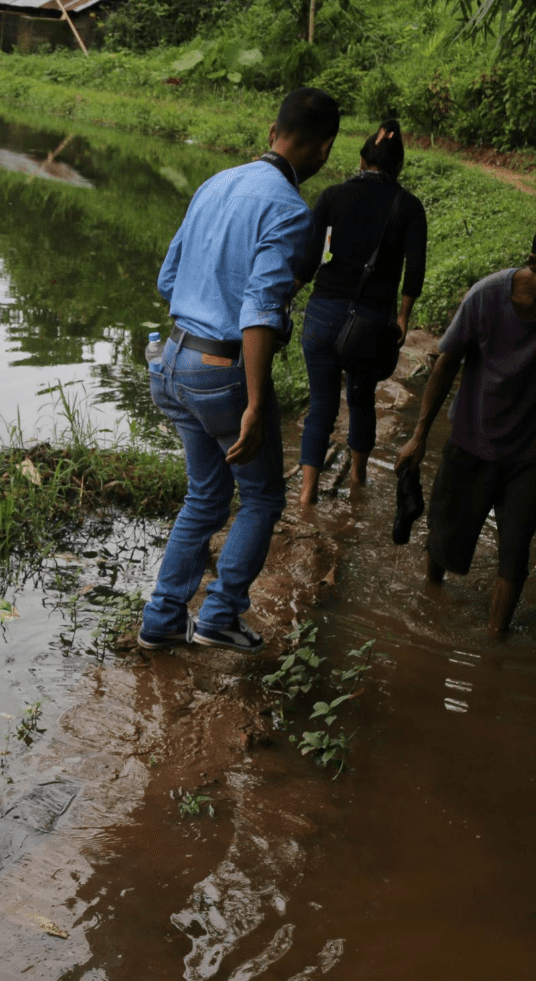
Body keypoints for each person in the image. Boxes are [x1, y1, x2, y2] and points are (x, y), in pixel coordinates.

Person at [139, 87, 342, 652]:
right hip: (221, 371)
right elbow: (257, 309)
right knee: (260, 499)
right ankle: (218, 617)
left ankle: (161, 621)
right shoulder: (289, 210)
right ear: (323, 148)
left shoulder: (216, 182)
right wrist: (255, 403)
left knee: (204, 497)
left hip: (172, 360)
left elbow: (167, 279)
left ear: (272, 130)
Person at [395, 218, 536, 637]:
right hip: (474, 435)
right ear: (534, 263)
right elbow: (446, 362)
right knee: (445, 532)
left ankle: (495, 642)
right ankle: (432, 597)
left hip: (535, 447)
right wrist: (418, 436)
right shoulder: (487, 297)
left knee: (515, 548)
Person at [292, 119, 428, 504]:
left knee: (321, 402)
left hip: (322, 314)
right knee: (361, 398)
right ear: (397, 166)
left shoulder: (333, 196)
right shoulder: (410, 207)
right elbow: (414, 269)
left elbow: (310, 259)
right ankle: (357, 479)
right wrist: (402, 316)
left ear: (363, 159)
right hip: (371, 321)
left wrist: (291, 292)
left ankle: (306, 493)